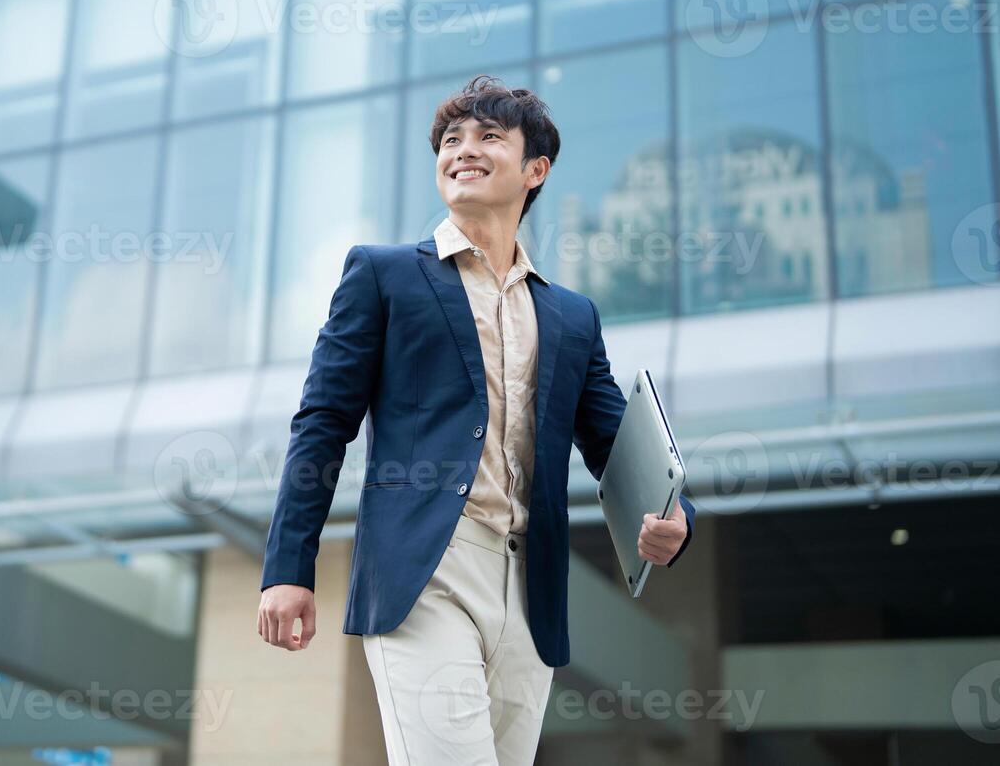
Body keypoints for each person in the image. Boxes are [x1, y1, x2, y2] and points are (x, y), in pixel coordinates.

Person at [256, 74, 694, 765]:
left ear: (535, 170)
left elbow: (616, 442)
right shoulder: (383, 275)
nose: (464, 149)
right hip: (424, 571)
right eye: (451, 139)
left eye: (490, 136)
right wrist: (288, 566)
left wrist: (676, 516)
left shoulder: (571, 315)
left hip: (531, 587)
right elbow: (321, 421)